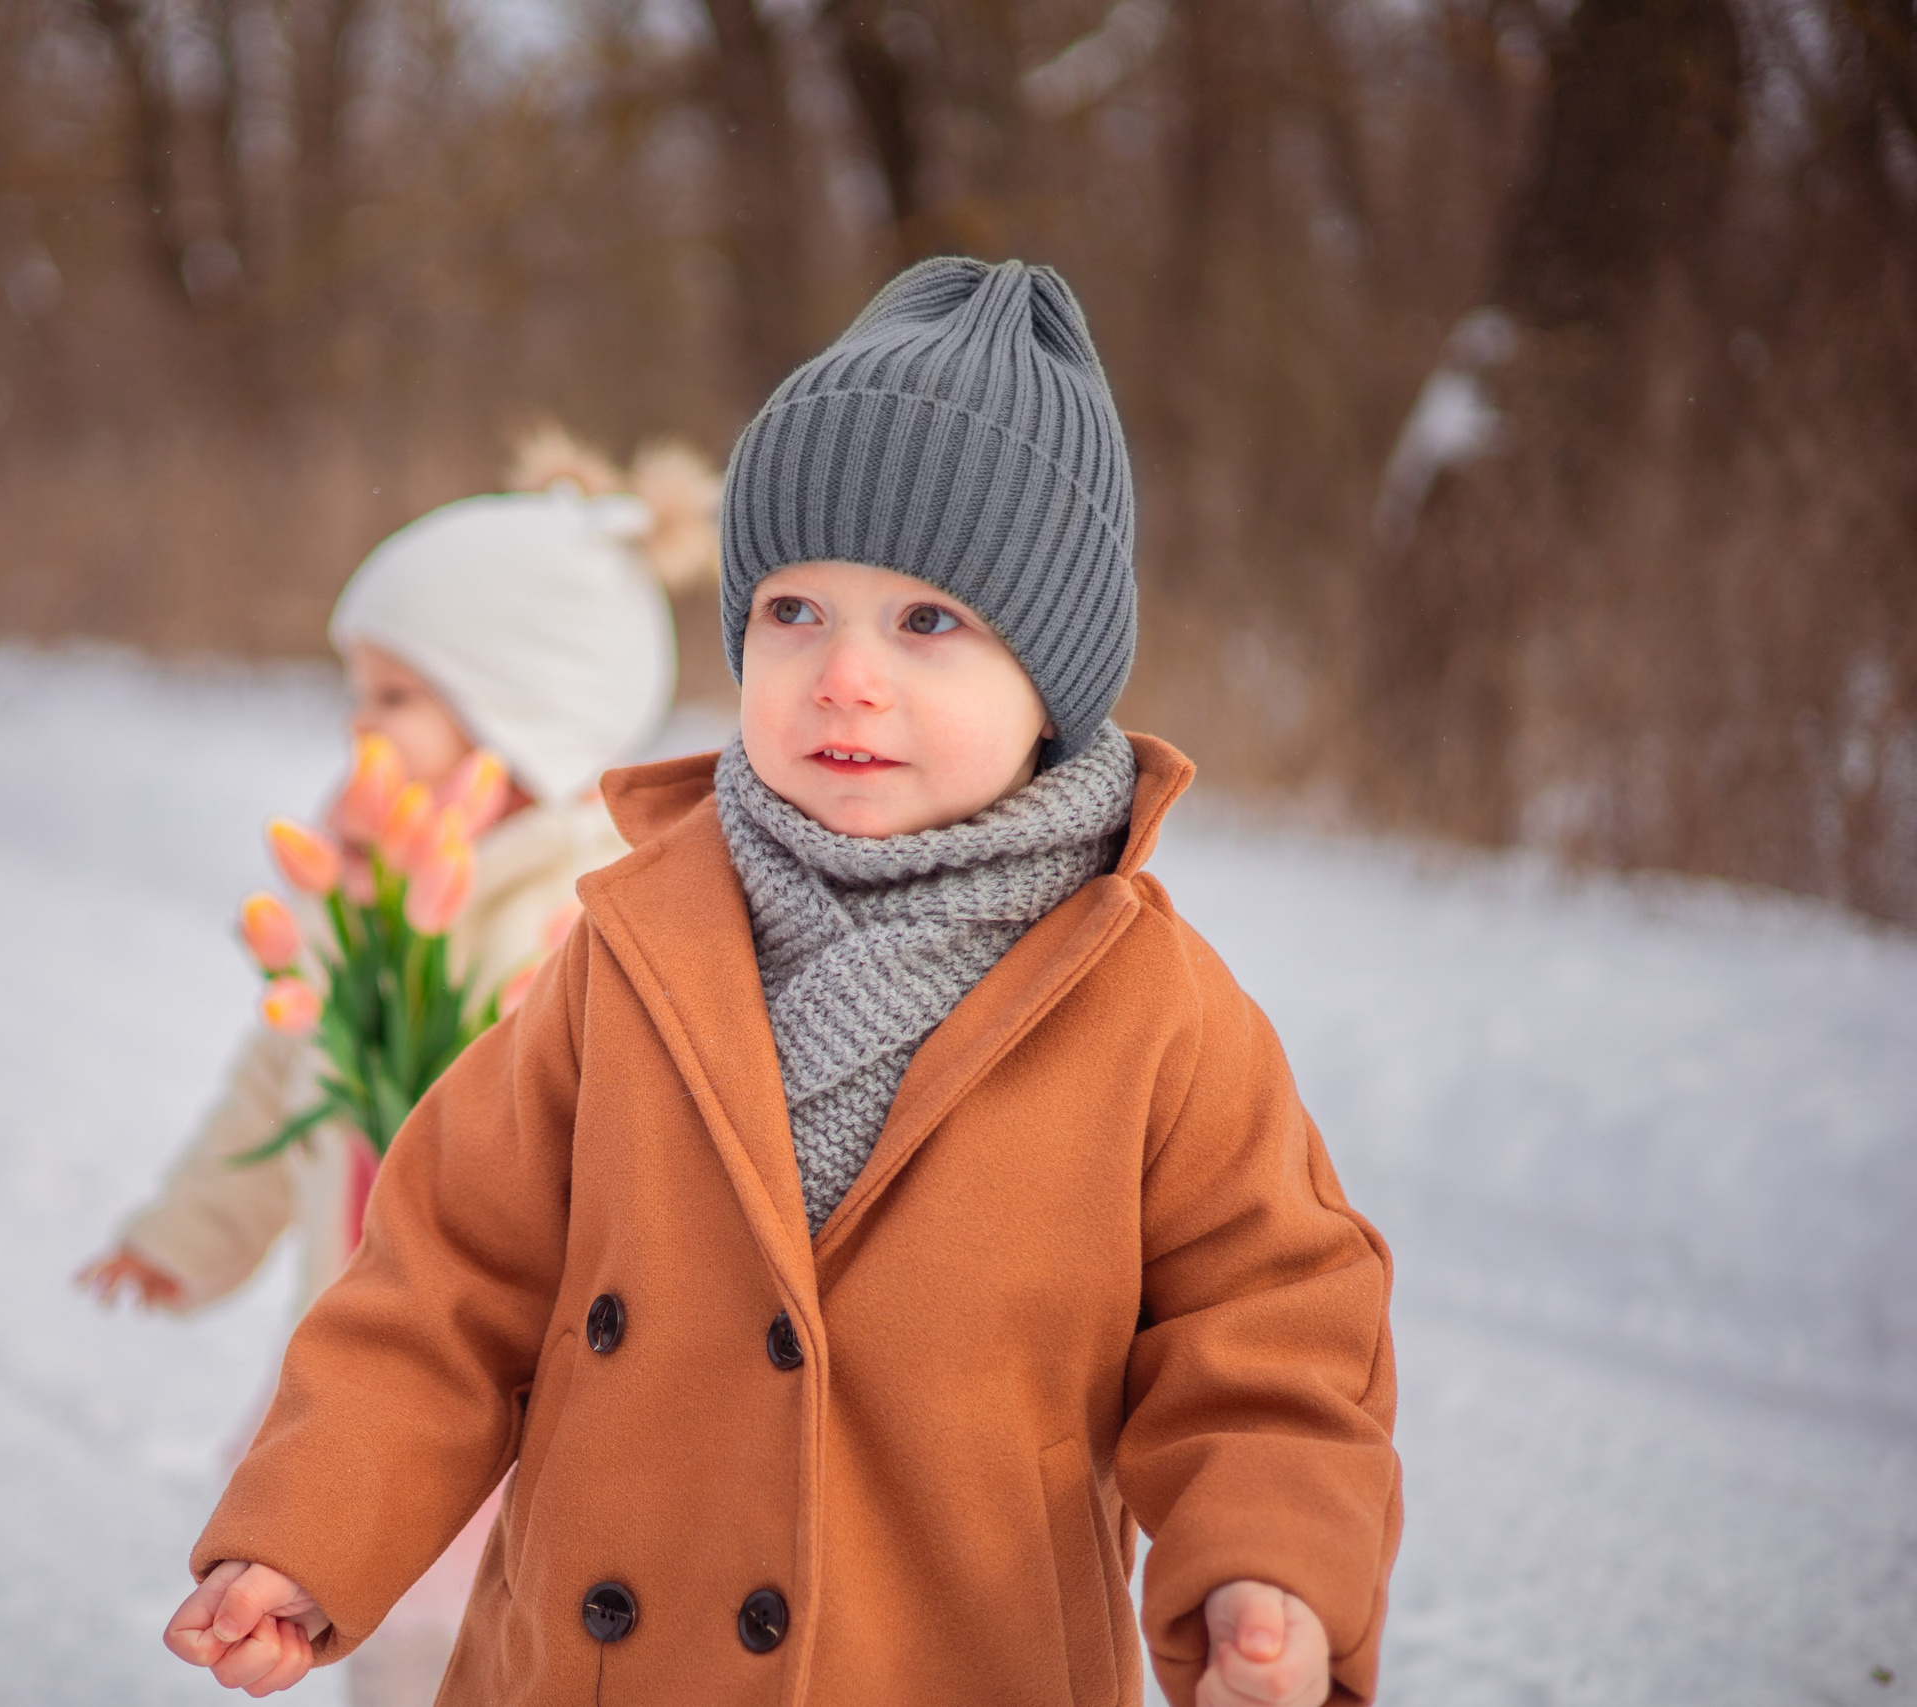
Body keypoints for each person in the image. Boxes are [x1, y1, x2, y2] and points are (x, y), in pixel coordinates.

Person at [159, 259, 1401, 1707]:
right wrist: (307, 1538)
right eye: (795, 611)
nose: (843, 674)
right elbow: (444, 1281)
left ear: (1056, 686)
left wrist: (1270, 1569)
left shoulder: (1152, 1011)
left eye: (928, 622)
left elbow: (1274, 1335)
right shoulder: (629, 952)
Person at [79, 429, 717, 1704]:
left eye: (393, 697)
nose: (356, 726)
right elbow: (283, 1083)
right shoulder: (361, 883)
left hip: (531, 1384)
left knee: (531, 1641)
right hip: (382, 1340)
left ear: (523, 718)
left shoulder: (598, 914)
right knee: (387, 1620)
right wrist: (190, 1232)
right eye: (358, 691)